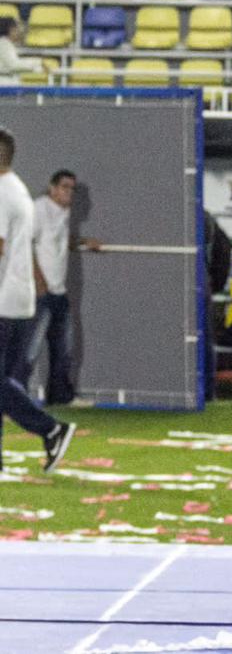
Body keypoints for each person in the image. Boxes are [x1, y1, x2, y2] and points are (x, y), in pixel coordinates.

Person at [0, 127, 76, 474]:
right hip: (18, 299)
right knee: (4, 380)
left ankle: (50, 428)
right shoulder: (16, 188)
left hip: (4, 300)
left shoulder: (3, 192)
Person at [24, 170, 101, 405]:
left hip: (59, 292)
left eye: (72, 188)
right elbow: (24, 244)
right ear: (53, 188)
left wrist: (82, 241)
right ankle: (10, 399)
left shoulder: (63, 213)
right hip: (39, 293)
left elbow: (57, 240)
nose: (70, 192)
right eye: (65, 187)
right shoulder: (38, 209)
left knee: (63, 349)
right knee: (28, 350)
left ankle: (61, 396)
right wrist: (39, 281)